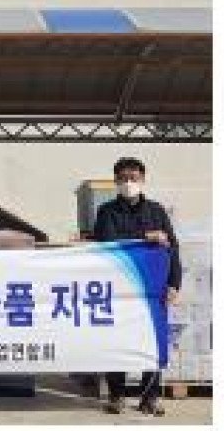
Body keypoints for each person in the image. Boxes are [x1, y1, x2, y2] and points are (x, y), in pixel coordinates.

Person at [94, 157, 181, 417]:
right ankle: (117, 395)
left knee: (151, 341)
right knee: (116, 340)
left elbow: (172, 248)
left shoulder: (156, 211)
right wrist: (146, 237)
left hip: (152, 289)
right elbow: (106, 242)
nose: (128, 183)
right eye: (123, 178)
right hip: (119, 289)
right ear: (116, 181)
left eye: (133, 177)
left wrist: (174, 283)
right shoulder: (107, 212)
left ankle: (150, 397)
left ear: (143, 179)